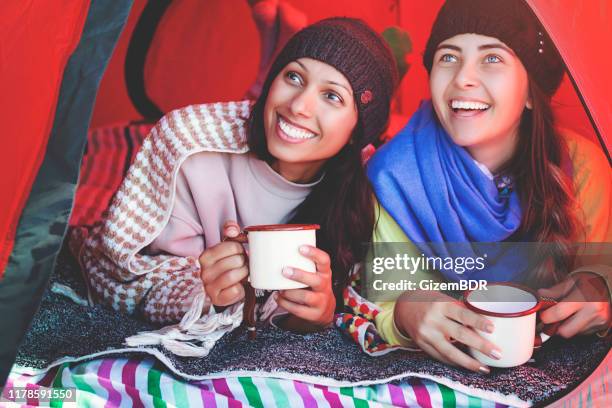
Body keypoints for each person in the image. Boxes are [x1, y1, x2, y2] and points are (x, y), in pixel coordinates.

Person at [78, 16, 398, 351]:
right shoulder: (190, 148)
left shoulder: (369, 192)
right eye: (293, 76)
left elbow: (377, 299)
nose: (298, 106)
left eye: (332, 96)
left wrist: (312, 317)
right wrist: (204, 294)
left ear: (355, 134)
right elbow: (123, 274)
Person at [363, 0, 611, 373]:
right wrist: (406, 312)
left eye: (492, 58)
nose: (463, 77)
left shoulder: (583, 167)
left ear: (531, 91)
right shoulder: (395, 176)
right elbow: (385, 296)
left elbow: (602, 266)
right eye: (448, 57)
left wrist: (600, 286)